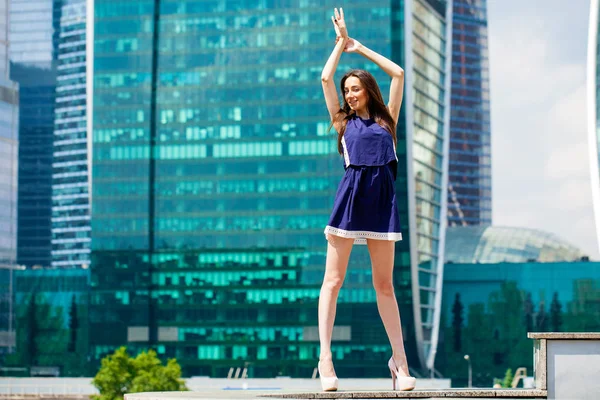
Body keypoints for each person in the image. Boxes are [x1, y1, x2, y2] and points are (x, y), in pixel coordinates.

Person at [317, 7, 416, 392]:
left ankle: (400, 362)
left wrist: (361, 49)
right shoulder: (342, 122)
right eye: (346, 91)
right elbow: (326, 76)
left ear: (367, 91)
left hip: (381, 204)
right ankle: (326, 360)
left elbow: (399, 74)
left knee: (384, 286)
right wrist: (341, 44)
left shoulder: (387, 119)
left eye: (355, 89)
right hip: (349, 202)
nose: (349, 94)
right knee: (334, 280)